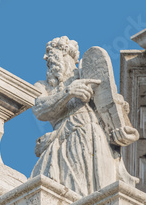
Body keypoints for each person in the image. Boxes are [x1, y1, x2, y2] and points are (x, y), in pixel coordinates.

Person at [30, 36, 139, 196]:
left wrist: (120, 119)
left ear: (68, 55)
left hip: (96, 137)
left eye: (54, 54)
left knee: (104, 192)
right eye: (48, 59)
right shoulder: (44, 86)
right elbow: (40, 109)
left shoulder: (86, 75)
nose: (48, 59)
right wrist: (68, 92)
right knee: (77, 194)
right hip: (67, 141)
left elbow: (107, 104)